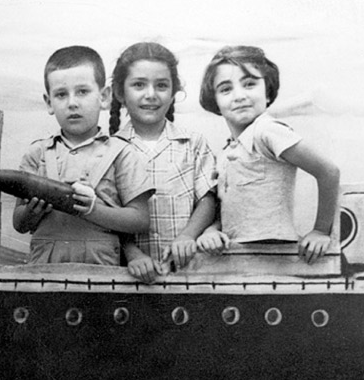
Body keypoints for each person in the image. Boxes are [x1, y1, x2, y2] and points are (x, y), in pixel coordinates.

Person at [198, 45, 340, 264]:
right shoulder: (227, 151)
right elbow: (228, 204)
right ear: (214, 100)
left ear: (267, 90)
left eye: (249, 84)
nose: (239, 96)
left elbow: (328, 172)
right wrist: (211, 230)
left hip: (276, 255)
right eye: (226, 89)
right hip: (238, 254)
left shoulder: (267, 131)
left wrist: (321, 231)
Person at [12, 45, 154, 265]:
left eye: (82, 91)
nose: (72, 103)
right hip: (43, 269)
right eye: (61, 94)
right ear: (49, 102)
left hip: (100, 269)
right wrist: (33, 211)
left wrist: (92, 209)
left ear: (104, 97)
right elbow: (19, 224)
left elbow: (140, 220)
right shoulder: (36, 154)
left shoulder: (122, 153)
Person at [108, 42, 225, 282]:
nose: (151, 94)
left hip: (188, 271)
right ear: (120, 93)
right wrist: (132, 253)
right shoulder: (109, 149)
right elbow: (108, 212)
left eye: (161, 85)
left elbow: (208, 198)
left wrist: (188, 236)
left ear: (173, 92)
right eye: (139, 85)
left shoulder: (192, 143)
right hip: (133, 276)